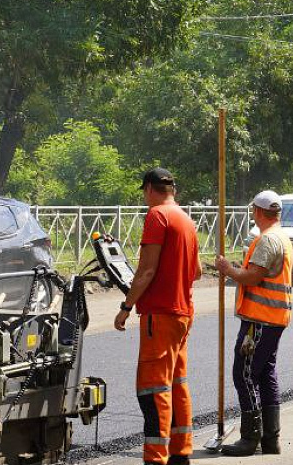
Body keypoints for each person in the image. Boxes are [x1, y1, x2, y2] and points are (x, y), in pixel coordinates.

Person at [114, 167, 200, 465]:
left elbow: (147, 270)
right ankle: (181, 452)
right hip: (183, 313)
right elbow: (197, 271)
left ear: (150, 188)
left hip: (160, 315)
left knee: (153, 388)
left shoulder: (157, 216)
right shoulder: (186, 219)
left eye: (144, 192)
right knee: (176, 383)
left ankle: (155, 458)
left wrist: (126, 307)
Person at [214, 190, 293, 457]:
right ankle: (271, 439)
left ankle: (250, 438)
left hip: (259, 322)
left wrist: (228, 269)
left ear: (258, 212)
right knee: (265, 374)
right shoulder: (282, 237)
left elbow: (252, 277)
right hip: (274, 320)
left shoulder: (268, 240)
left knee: (245, 374)